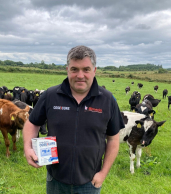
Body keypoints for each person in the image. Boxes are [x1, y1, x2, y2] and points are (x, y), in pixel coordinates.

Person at [23, 45, 125, 194]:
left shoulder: (108, 100)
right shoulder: (50, 95)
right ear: (67, 70)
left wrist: (103, 173)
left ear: (94, 70)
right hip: (55, 179)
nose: (80, 75)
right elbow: (32, 123)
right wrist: (27, 147)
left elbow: (113, 139)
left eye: (86, 69)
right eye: (74, 69)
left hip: (90, 182)